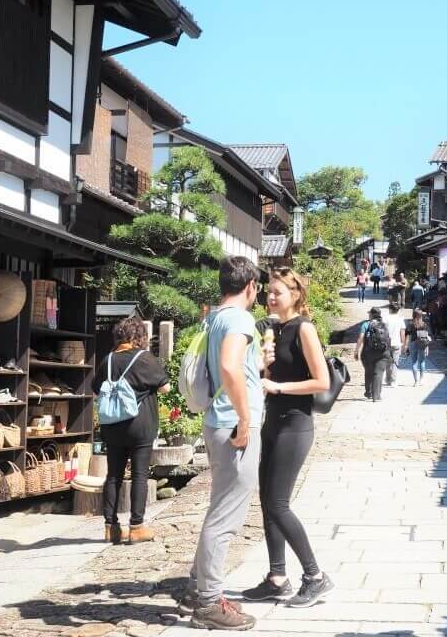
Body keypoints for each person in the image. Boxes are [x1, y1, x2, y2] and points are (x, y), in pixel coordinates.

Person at [182, 256, 274, 631]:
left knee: (219, 507)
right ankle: (208, 602)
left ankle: (198, 584)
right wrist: (247, 418)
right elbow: (229, 367)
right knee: (226, 517)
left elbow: (237, 367)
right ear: (251, 285)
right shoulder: (239, 318)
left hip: (218, 421)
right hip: (234, 424)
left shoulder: (216, 315)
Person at [245, 268, 335, 607]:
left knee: (279, 503)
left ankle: (315, 576)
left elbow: (322, 381)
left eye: (277, 292)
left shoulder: (304, 329)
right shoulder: (273, 329)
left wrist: (278, 385)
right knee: (267, 502)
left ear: (295, 295)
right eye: (268, 291)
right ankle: (276, 577)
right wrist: (263, 366)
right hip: (273, 420)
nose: (270, 297)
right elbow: (267, 375)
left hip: (296, 425)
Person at [93, 315, 170, 545]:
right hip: (140, 426)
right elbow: (165, 387)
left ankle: (111, 527)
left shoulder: (107, 360)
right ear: (140, 337)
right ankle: (136, 526)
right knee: (139, 475)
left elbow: (97, 388)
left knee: (113, 475)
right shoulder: (144, 358)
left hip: (113, 426)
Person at [355, 307, 391, 402]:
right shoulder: (385, 325)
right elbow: (388, 339)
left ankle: (369, 392)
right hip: (383, 352)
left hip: (368, 352)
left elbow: (361, 338)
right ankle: (377, 395)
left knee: (368, 371)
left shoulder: (366, 324)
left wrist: (356, 351)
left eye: (369, 313)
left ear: (371, 314)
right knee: (378, 373)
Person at [405, 309, 433, 385]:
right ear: (421, 315)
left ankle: (416, 381)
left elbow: (407, 336)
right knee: (422, 361)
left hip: (413, 343)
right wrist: (427, 347)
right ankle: (421, 379)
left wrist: (406, 346)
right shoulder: (424, 325)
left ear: (413, 315)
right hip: (422, 344)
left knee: (414, 362)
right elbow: (427, 336)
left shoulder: (410, 324)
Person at [382, 302, 407, 387]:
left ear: (390, 309)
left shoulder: (385, 318)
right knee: (395, 362)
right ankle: (393, 380)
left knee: (388, 362)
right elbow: (402, 333)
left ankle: (388, 379)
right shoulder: (400, 319)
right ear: (398, 310)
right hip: (397, 343)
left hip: (387, 343)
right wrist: (403, 344)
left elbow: (383, 331)